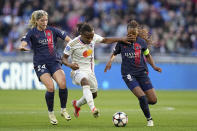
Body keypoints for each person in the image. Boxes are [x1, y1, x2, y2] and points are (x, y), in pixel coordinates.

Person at [62, 22, 131, 118]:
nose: (90, 40)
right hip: (77, 70)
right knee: (84, 81)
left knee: (94, 95)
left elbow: (105, 40)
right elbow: (64, 58)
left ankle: (77, 104)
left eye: (92, 37)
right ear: (81, 34)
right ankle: (93, 109)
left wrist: (121, 39)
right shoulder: (72, 43)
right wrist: (70, 65)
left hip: (90, 71)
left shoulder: (93, 37)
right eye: (88, 37)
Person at [104, 20, 162, 126]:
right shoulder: (121, 42)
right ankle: (149, 119)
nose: (132, 36)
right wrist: (109, 62)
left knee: (153, 100)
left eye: (134, 34)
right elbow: (114, 53)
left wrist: (154, 66)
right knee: (143, 97)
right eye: (129, 34)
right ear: (127, 32)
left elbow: (147, 55)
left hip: (142, 73)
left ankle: (142, 102)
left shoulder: (141, 42)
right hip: (128, 74)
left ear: (137, 33)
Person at [18, 10, 71, 125]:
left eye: (46, 20)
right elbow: (24, 41)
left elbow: (68, 39)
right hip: (40, 64)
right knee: (51, 87)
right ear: (37, 21)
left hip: (54, 62)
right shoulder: (32, 32)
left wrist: (73, 45)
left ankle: (63, 110)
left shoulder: (53, 30)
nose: (45, 22)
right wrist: (22, 47)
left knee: (62, 83)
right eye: (42, 20)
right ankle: (51, 113)